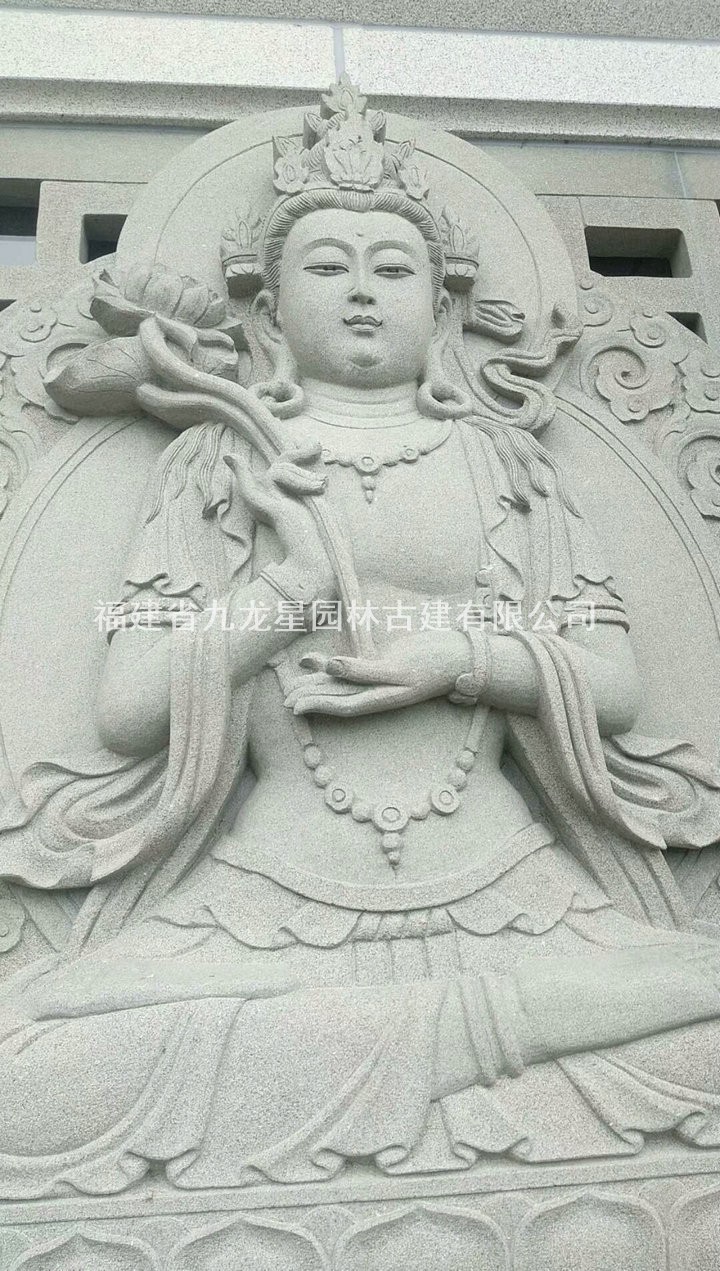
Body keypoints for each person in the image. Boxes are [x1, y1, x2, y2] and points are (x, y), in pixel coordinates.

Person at [2, 81, 720, 1199]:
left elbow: (612, 681)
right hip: (265, 907)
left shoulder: (506, 462)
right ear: (268, 311)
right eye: (328, 265)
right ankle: (457, 1046)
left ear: (442, 306)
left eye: (393, 267)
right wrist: (285, 591)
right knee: (25, 1071)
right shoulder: (217, 459)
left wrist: (461, 660)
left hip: (516, 896)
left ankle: (409, 1045)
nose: (362, 290)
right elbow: (130, 705)